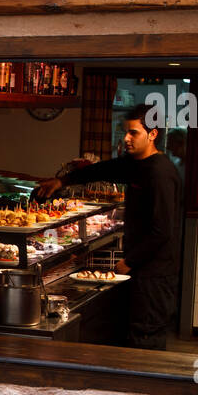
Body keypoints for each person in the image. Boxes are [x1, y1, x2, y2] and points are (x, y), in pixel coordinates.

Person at [35, 103, 182, 349]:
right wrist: (62, 181)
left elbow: (162, 231)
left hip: (155, 276)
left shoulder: (159, 173)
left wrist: (129, 262)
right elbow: (105, 169)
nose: (126, 138)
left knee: (145, 339)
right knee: (132, 335)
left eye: (133, 133)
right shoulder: (136, 164)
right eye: (125, 132)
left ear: (153, 134)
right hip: (142, 270)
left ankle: (145, 386)